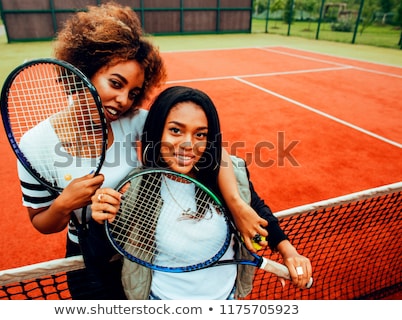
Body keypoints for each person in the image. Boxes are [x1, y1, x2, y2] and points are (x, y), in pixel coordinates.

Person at [18, 2, 266, 300]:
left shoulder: (132, 122)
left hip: (134, 244)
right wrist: (64, 204)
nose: (123, 100)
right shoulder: (35, 144)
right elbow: (40, 221)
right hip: (87, 254)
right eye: (115, 83)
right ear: (84, 70)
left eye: (133, 92)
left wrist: (237, 205)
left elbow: (208, 149)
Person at [91, 86, 313, 299]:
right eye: (175, 130)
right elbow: (109, 248)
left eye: (200, 135)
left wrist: (290, 252)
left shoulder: (228, 177)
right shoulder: (137, 187)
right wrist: (100, 219)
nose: (189, 144)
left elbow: (256, 210)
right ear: (158, 131)